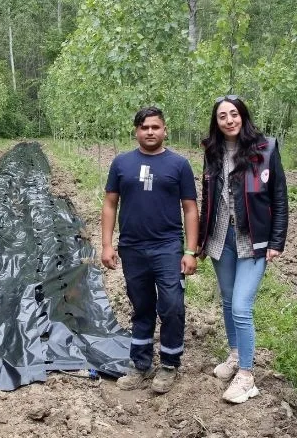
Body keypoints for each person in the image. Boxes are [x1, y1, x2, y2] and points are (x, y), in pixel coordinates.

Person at [197, 95, 288, 404]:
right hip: (221, 236)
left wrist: (276, 241)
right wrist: (201, 240)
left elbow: (279, 197)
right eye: (222, 116)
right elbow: (208, 197)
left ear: (243, 116)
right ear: (216, 122)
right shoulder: (212, 151)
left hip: (252, 238)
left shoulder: (266, 149)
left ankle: (247, 376)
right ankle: (235, 354)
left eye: (234, 114)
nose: (229, 120)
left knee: (240, 306)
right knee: (227, 300)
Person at [101, 106, 199, 394]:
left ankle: (169, 363)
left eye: (155, 127)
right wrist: (107, 245)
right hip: (132, 247)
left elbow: (190, 209)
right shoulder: (121, 163)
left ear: (165, 130)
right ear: (136, 131)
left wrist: (190, 251)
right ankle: (140, 364)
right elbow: (110, 204)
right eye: (144, 127)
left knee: (172, 305)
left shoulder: (179, 165)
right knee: (141, 306)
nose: (150, 132)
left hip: (167, 247)